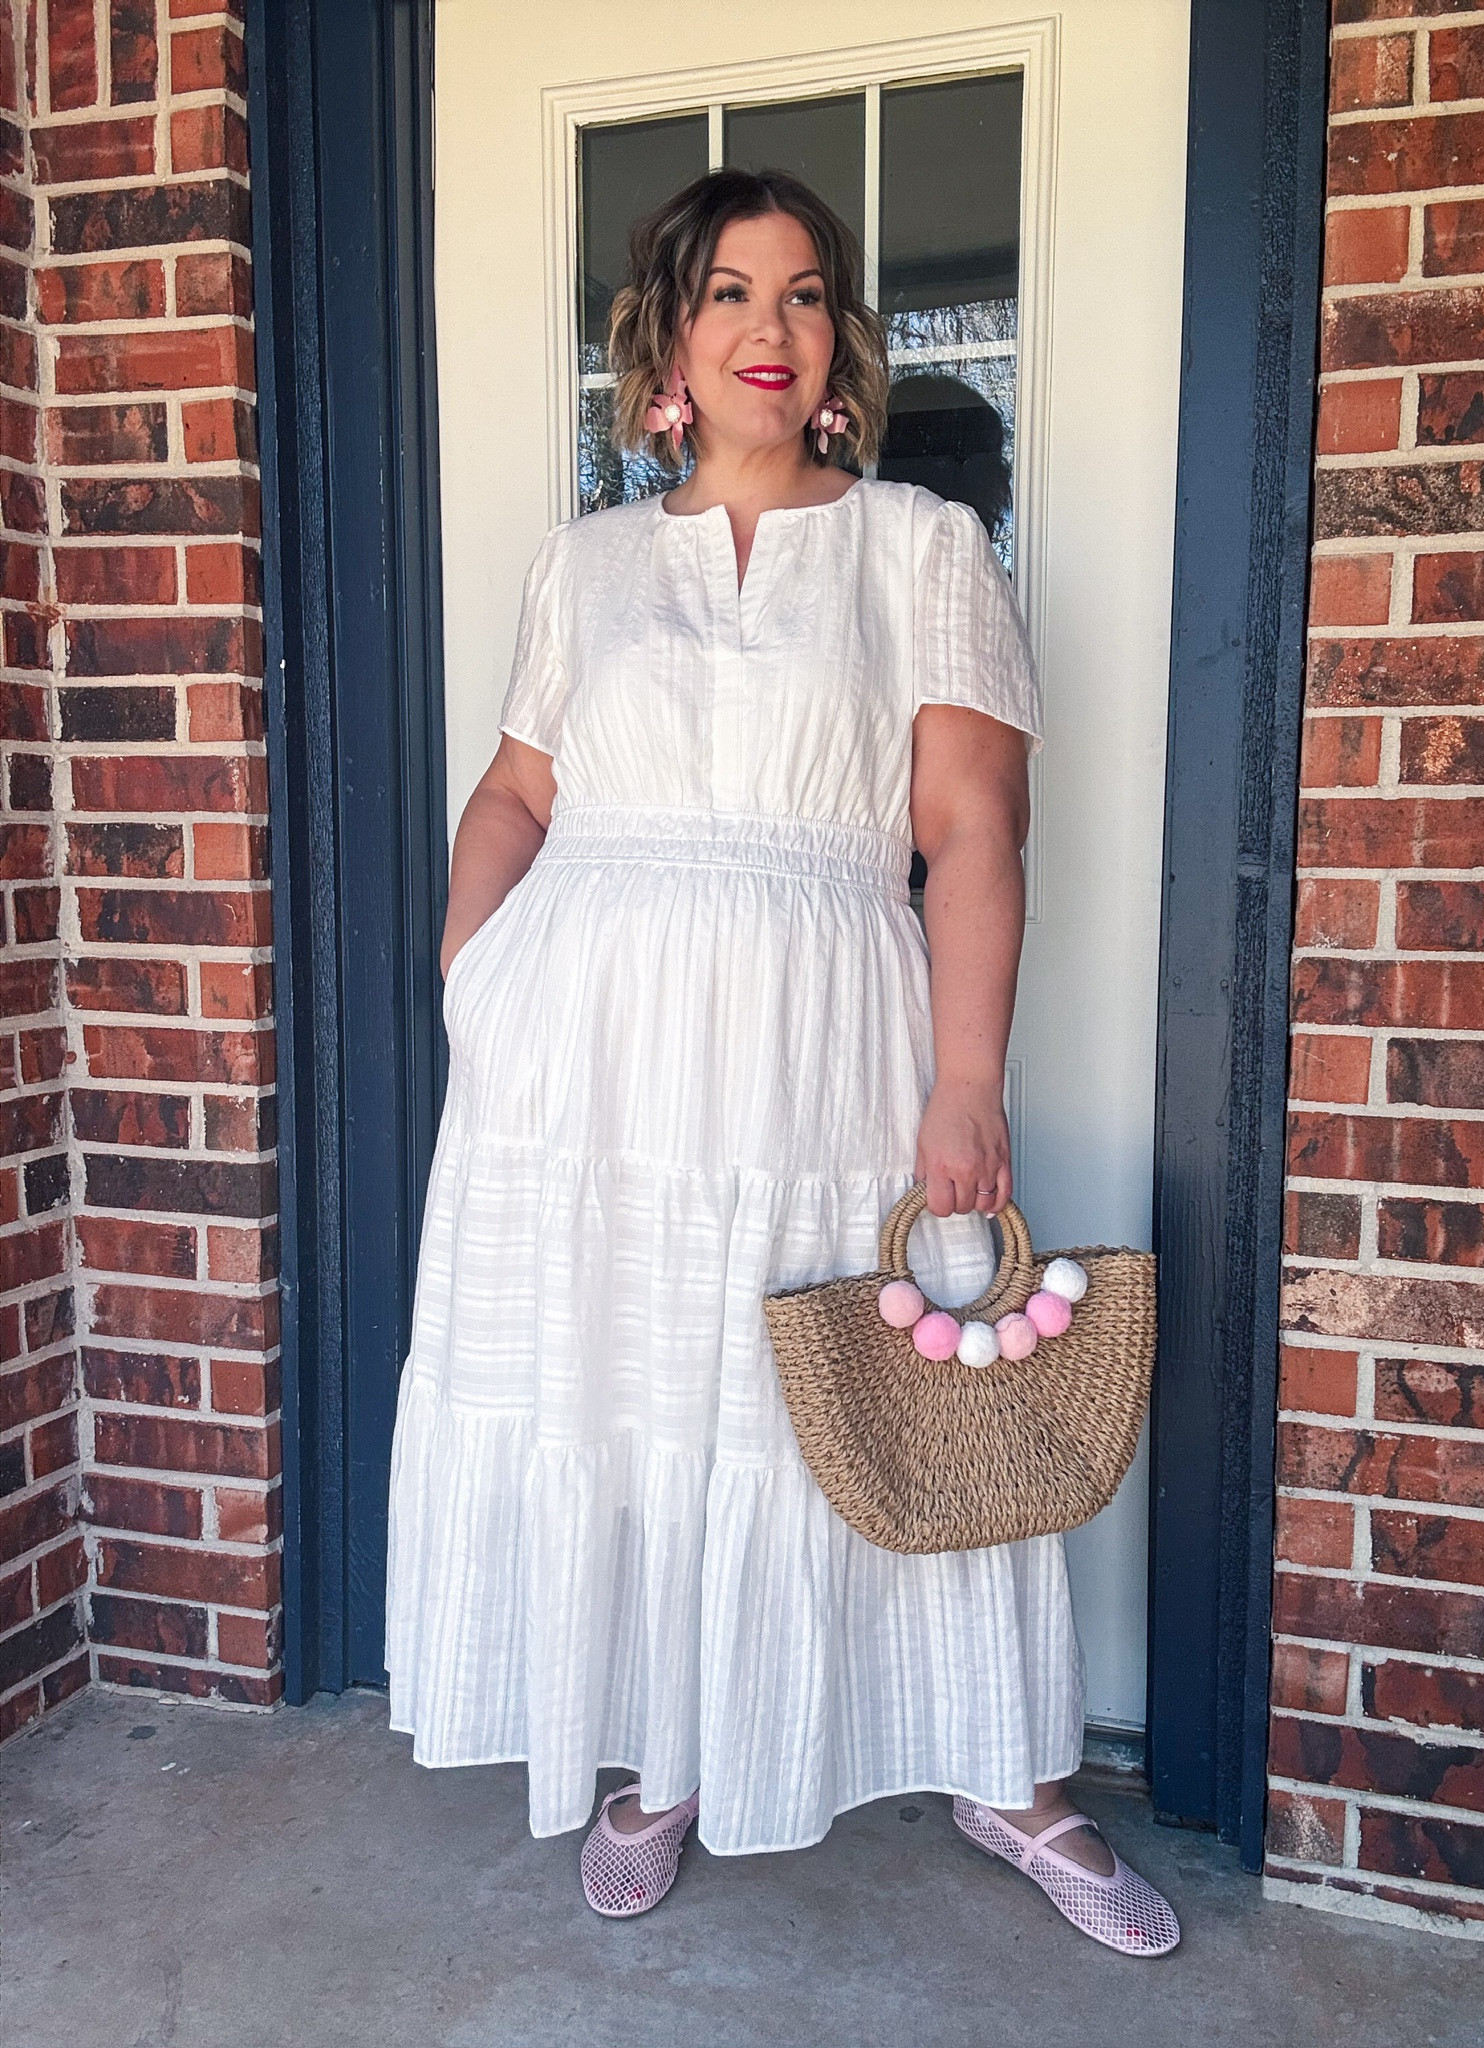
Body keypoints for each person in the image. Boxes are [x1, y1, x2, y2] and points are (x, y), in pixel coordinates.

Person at [385, 167, 1178, 1958]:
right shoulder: (584, 565)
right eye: (730, 293)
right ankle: (669, 1755)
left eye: (806, 296)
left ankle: (1007, 1772)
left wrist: (966, 1082)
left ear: (839, 346)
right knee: (651, 1377)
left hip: (826, 1023)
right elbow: (517, 794)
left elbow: (976, 831)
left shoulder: (919, 547)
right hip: (588, 1051)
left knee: (907, 1378)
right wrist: (475, 977)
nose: (769, 327)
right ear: (668, 340)